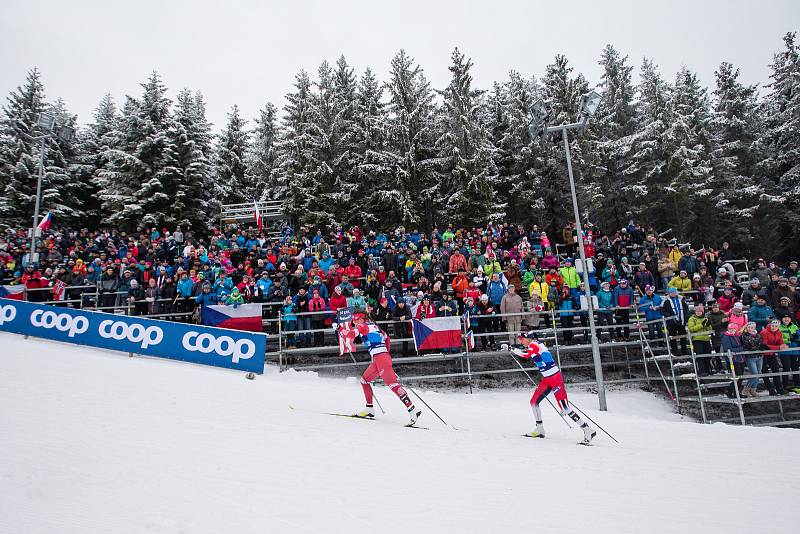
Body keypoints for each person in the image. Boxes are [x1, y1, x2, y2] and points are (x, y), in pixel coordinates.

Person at [502, 332, 596, 444]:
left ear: (529, 338)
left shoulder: (534, 345)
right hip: (547, 379)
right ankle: (539, 429)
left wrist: (510, 348)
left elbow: (525, 354)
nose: (520, 341)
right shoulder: (533, 345)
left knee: (565, 408)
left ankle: (587, 430)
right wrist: (512, 348)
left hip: (555, 379)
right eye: (519, 339)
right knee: (533, 402)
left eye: (522, 339)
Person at [342, 311, 421, 425]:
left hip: (381, 359)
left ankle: (413, 409)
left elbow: (351, 335)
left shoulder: (363, 326)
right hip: (380, 359)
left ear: (361, 319)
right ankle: (369, 409)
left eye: (355, 320)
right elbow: (387, 338)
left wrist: (341, 330)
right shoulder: (374, 326)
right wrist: (385, 354)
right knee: (364, 381)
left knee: (393, 385)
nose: (354, 322)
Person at [662, 287, 689, 355]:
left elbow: (686, 308)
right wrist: (669, 316)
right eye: (671, 292)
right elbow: (662, 310)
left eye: (674, 292)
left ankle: (684, 350)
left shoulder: (681, 299)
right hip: (671, 322)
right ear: (669, 293)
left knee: (683, 337)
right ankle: (674, 351)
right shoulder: (666, 300)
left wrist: (685, 317)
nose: (673, 293)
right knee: (672, 337)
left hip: (681, 320)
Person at [740, 322, 764, 397]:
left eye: (752, 327)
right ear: (746, 328)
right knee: (755, 373)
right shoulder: (744, 335)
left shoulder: (758, 335)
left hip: (759, 356)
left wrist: (757, 346)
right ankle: (746, 389)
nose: (751, 329)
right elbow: (749, 344)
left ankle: (753, 389)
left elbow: (760, 344)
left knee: (758, 373)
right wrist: (756, 347)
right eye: (749, 327)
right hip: (750, 357)